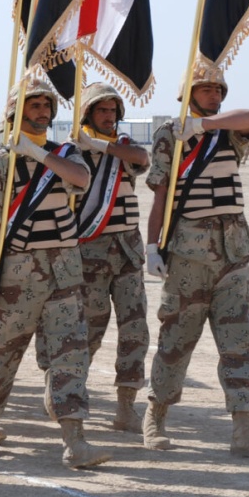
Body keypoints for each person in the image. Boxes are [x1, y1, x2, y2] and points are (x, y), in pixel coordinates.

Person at [0, 76, 111, 469]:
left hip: (65, 272)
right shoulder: (1, 162)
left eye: (47, 105)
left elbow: (81, 179)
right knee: (3, 354)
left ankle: (75, 440)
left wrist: (37, 151)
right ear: (15, 112)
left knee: (71, 355)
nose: (42, 111)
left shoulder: (65, 153)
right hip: (19, 273)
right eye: (34, 105)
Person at [143, 62, 249, 461]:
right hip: (187, 254)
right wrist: (152, 247)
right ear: (187, 94)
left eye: (218, 90)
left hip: (233, 253)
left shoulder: (227, 130)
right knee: (176, 341)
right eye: (205, 89)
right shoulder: (170, 134)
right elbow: (161, 195)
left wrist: (203, 125)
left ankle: (245, 430)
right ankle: (156, 416)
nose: (214, 95)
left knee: (241, 343)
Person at [73, 82, 150, 434]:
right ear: (88, 113)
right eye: (101, 110)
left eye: (112, 111)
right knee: (88, 330)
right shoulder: (74, 151)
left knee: (135, 329)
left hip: (127, 252)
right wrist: (87, 146)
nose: (108, 116)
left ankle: (125, 407)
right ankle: (70, 395)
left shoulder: (122, 147)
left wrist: (103, 146)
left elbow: (142, 159)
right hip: (89, 253)